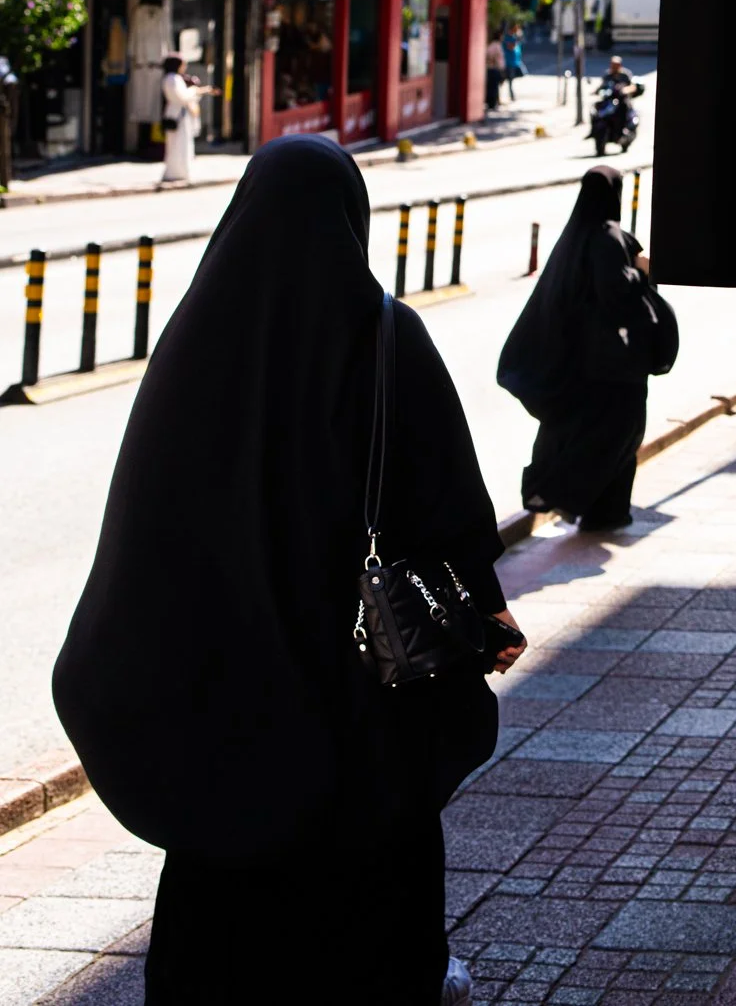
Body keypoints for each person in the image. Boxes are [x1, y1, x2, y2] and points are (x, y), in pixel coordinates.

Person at [51, 136, 528, 1002]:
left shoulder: (195, 345)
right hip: (361, 698)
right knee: (372, 894)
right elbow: (448, 509)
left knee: (223, 899)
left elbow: (143, 533)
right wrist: (484, 614)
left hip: (224, 703)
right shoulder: (386, 337)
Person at [498, 166, 679, 530]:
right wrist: (641, 272)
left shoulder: (573, 237)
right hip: (614, 366)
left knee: (591, 436)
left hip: (580, 363)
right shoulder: (608, 237)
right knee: (618, 439)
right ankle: (600, 510)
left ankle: (586, 506)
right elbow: (617, 295)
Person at [158, 56, 214, 183]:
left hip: (179, 114)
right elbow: (181, 96)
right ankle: (175, 172)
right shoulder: (172, 79)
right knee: (177, 144)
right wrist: (193, 90)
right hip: (177, 115)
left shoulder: (172, 78)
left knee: (181, 143)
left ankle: (181, 171)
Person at [501, 23, 526, 101]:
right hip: (508, 62)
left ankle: (511, 96)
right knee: (506, 80)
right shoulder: (508, 38)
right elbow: (511, 47)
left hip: (514, 62)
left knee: (510, 80)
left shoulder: (514, 37)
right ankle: (509, 96)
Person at [485, 34, 505, 114]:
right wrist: (501, 69)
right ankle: (493, 103)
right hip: (495, 68)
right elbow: (498, 58)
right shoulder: (497, 46)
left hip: (490, 68)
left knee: (491, 86)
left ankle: (491, 102)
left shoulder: (490, 45)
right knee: (494, 87)